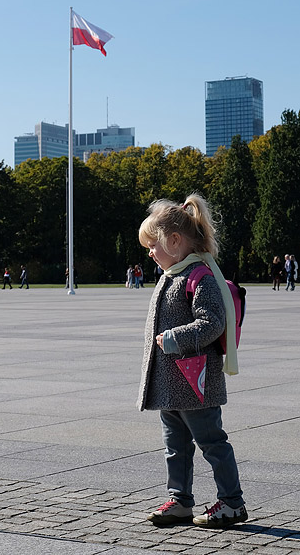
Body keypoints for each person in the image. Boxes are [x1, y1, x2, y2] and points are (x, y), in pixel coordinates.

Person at [137, 193, 247, 529]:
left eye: (152, 245)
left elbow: (212, 321)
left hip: (196, 382)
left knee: (212, 442)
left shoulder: (199, 276)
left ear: (174, 240)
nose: (150, 252)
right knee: (176, 446)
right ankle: (180, 500)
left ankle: (232, 503)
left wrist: (175, 337)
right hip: (172, 385)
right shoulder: (172, 275)